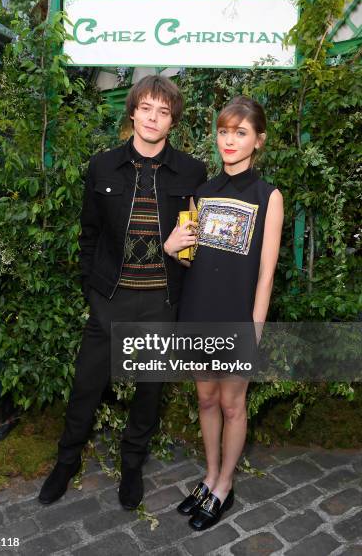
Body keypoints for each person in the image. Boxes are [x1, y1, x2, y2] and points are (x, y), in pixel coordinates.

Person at [38, 75, 206, 509]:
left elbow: (194, 238)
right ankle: (66, 461)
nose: (153, 118)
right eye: (146, 108)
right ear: (132, 112)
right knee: (86, 384)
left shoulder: (191, 171)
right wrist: (91, 292)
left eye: (163, 111)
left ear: (172, 121)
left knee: (149, 389)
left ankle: (132, 465)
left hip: (159, 300)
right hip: (110, 296)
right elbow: (88, 235)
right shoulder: (103, 166)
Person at [164, 96, 284, 531]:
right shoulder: (203, 190)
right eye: (224, 131)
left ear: (258, 141)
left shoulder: (268, 196)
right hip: (199, 310)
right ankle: (209, 476)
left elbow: (266, 273)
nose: (229, 141)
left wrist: (255, 329)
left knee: (233, 404)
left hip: (237, 316)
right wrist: (171, 248)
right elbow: (191, 259)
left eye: (240, 132)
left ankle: (225, 486)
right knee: (206, 398)